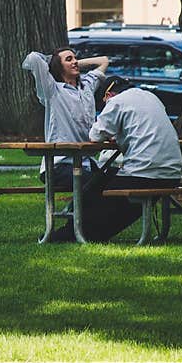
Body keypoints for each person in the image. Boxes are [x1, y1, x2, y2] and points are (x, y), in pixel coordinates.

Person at [22, 47, 108, 241]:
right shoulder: (52, 90)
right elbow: (33, 59)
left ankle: (88, 230)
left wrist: (76, 62)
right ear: (58, 66)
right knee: (94, 185)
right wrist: (54, 61)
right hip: (58, 166)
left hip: (85, 163)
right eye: (69, 59)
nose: (75, 61)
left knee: (111, 183)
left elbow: (103, 60)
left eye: (75, 58)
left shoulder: (87, 85)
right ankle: (71, 232)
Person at [84, 76, 182, 241]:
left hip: (143, 173)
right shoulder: (152, 97)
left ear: (108, 96)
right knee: (106, 182)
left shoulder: (116, 102)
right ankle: (84, 232)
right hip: (172, 174)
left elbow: (95, 135)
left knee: (94, 190)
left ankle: (75, 232)